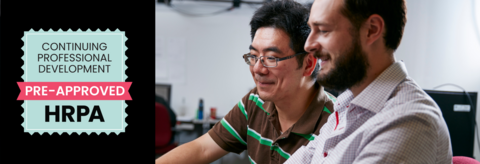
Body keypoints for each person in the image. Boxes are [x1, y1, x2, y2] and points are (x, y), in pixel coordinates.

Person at [156, 0, 336, 163]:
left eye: (272, 58)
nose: (258, 69)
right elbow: (202, 148)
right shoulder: (255, 102)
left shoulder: (337, 124)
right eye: (254, 56)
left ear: (308, 64)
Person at [285, 0, 452, 163]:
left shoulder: (410, 121)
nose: (308, 45)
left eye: (323, 30)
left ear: (371, 30)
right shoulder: (349, 103)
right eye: (311, 29)